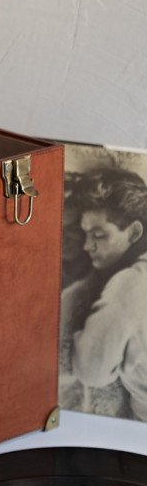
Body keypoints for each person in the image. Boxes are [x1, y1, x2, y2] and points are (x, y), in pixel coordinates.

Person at [59, 167, 147, 421]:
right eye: (85, 234)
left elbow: (90, 371)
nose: (88, 246)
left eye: (98, 235)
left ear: (133, 232)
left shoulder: (129, 285)